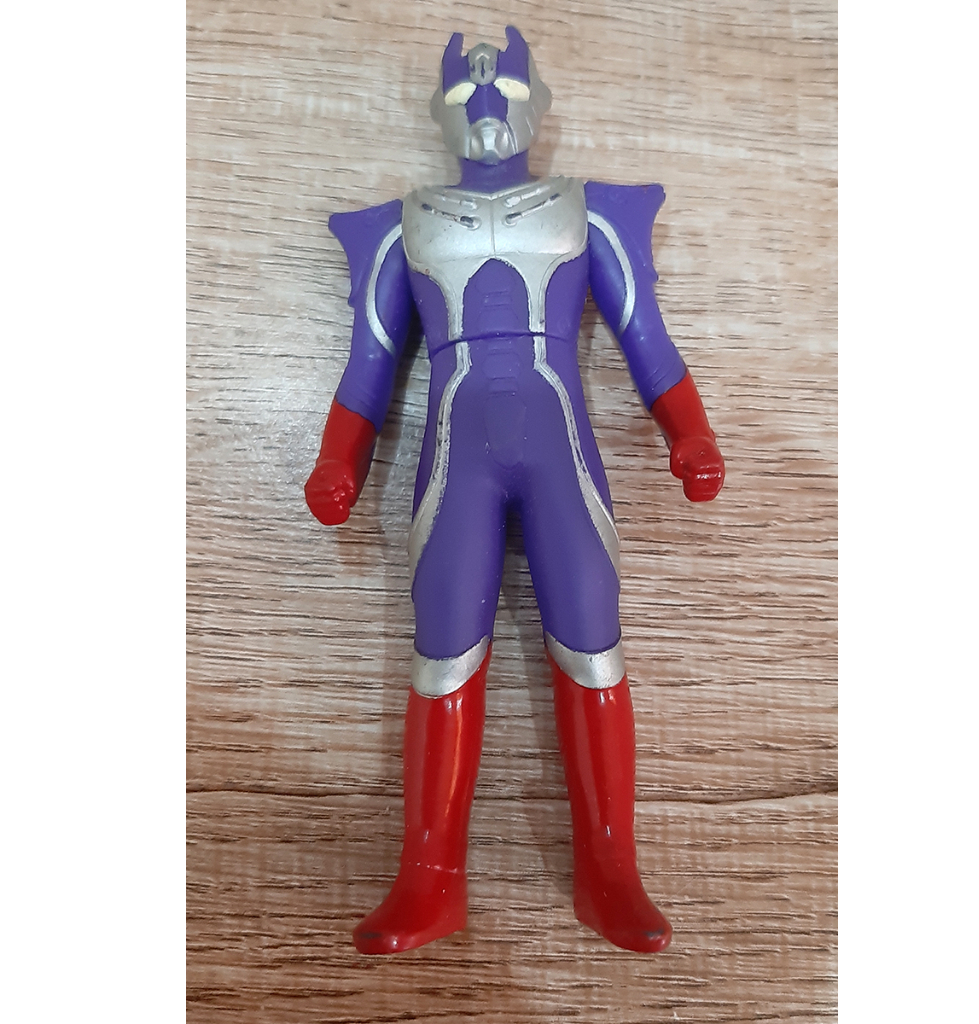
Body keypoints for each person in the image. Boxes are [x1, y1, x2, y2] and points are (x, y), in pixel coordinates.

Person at [305, 26, 725, 954]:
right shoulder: (404, 225)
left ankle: (611, 870)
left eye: (505, 91)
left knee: (592, 642)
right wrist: (340, 461)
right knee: (442, 653)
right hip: (458, 461)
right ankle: (428, 878)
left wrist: (690, 432)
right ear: (440, 110)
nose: (488, 105)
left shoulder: (587, 212)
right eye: (467, 95)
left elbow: (646, 340)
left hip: (560, 453)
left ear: (536, 104)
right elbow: (369, 366)